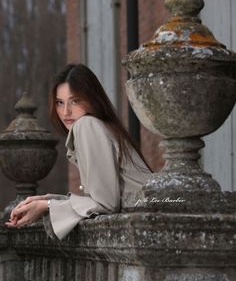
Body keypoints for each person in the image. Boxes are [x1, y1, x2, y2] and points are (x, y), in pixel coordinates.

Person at [5, 64, 152, 240]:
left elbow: (106, 204)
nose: (66, 112)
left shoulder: (87, 125)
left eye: (74, 101)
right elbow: (107, 200)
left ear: (92, 99)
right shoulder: (103, 126)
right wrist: (46, 201)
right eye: (60, 103)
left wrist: (48, 205)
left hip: (153, 219)